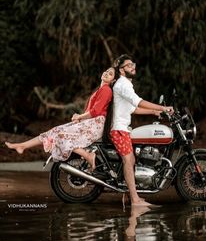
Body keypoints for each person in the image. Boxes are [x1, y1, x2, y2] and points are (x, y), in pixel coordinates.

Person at [5, 67, 118, 170]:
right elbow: (92, 110)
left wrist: (80, 116)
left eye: (111, 74)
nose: (107, 73)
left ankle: (88, 155)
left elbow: (96, 111)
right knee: (55, 131)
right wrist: (81, 118)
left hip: (96, 124)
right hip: (91, 122)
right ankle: (22, 146)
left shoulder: (106, 90)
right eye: (107, 71)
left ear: (113, 80)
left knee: (61, 136)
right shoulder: (101, 89)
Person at [110, 54, 174, 206]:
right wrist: (162, 107)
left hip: (124, 128)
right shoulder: (122, 84)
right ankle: (135, 199)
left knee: (131, 160)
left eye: (133, 64)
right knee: (128, 161)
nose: (133, 67)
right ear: (121, 70)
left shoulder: (125, 84)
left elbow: (133, 108)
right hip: (119, 129)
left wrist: (153, 112)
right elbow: (138, 101)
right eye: (129, 65)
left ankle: (127, 196)